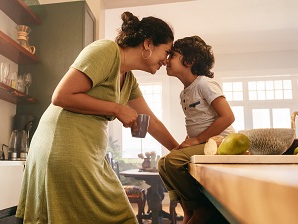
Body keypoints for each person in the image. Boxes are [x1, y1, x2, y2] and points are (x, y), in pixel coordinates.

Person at [16, 11, 179, 224]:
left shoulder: (128, 79)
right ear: (148, 44)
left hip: (89, 153)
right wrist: (117, 109)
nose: (166, 62)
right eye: (166, 52)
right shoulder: (105, 51)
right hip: (63, 146)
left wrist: (179, 151)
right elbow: (61, 96)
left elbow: (152, 122)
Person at [158, 36, 235, 224]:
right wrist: (189, 139)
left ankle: (202, 210)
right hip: (202, 141)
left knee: (174, 161)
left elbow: (228, 117)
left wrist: (196, 139)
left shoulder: (204, 83)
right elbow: (195, 121)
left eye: (173, 55)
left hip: (219, 142)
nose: (167, 60)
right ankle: (188, 211)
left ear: (190, 61)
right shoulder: (184, 93)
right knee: (163, 163)